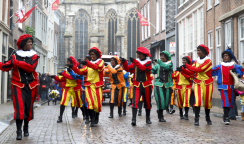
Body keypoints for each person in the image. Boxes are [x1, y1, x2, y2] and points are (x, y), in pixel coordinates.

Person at [0, 34, 39, 140]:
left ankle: (26, 127)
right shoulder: (14, 55)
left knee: (27, 108)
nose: (31, 43)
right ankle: (19, 131)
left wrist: (15, 62)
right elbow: (5, 67)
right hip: (17, 85)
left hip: (31, 86)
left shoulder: (35, 55)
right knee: (19, 108)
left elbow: (30, 68)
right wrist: (4, 64)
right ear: (23, 44)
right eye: (29, 42)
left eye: (31, 41)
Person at [69, 47, 104, 127]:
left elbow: (97, 67)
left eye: (93, 54)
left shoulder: (100, 62)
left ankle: (96, 115)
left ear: (97, 55)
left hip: (97, 86)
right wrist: (73, 67)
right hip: (88, 86)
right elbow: (81, 72)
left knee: (97, 104)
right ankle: (92, 120)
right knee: (90, 103)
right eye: (90, 54)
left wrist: (87, 63)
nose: (92, 56)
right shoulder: (88, 64)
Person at [121, 47, 153, 126]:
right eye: (138, 54)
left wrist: (134, 61)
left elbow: (142, 68)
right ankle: (133, 119)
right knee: (135, 102)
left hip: (146, 85)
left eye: (140, 54)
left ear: (144, 55)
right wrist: (124, 62)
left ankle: (148, 118)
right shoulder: (136, 62)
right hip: (137, 85)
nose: (138, 55)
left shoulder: (148, 62)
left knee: (147, 102)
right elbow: (128, 69)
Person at [183, 44, 214, 126]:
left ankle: (207, 118)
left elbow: (199, 70)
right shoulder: (196, 61)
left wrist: (187, 66)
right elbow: (191, 72)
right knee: (198, 101)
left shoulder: (208, 61)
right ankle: (196, 119)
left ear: (204, 51)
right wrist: (183, 70)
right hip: (198, 83)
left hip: (207, 83)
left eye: (199, 50)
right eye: (197, 50)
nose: (198, 52)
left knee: (207, 102)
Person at [211, 48, 243, 125]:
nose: (225, 57)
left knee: (231, 102)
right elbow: (211, 72)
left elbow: (241, 74)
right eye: (224, 56)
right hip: (223, 87)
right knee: (226, 102)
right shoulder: (219, 66)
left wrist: (236, 71)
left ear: (230, 57)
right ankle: (226, 117)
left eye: (227, 55)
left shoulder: (235, 66)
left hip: (232, 87)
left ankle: (226, 115)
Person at [49, 58, 83, 123]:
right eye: (67, 62)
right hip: (67, 89)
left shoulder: (76, 71)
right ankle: (60, 117)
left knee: (79, 103)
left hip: (75, 89)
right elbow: (62, 79)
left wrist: (66, 73)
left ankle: (85, 115)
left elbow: (74, 78)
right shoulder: (65, 71)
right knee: (63, 101)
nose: (67, 63)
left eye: (68, 62)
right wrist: (55, 77)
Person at [151, 51, 173, 122]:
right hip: (159, 84)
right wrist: (148, 66)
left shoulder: (170, 63)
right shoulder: (158, 65)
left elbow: (166, 67)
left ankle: (160, 111)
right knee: (161, 101)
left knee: (166, 102)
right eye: (160, 56)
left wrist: (158, 61)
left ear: (166, 57)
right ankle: (161, 116)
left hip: (167, 85)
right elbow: (152, 71)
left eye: (162, 56)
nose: (161, 57)